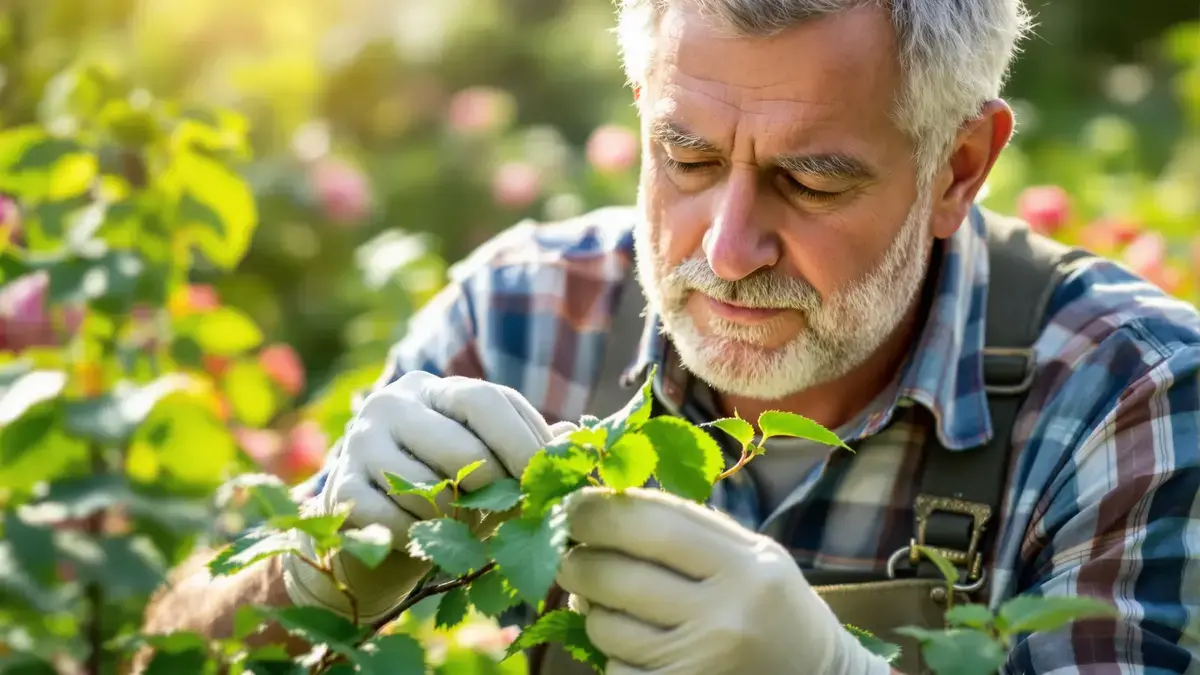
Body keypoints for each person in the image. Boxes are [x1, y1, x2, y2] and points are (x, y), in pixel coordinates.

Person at [138, 0, 1200, 673]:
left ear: (959, 167)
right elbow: (160, 661)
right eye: (686, 161)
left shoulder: (1127, 396)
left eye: (812, 178)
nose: (730, 249)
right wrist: (306, 575)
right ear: (642, 103)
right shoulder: (518, 320)